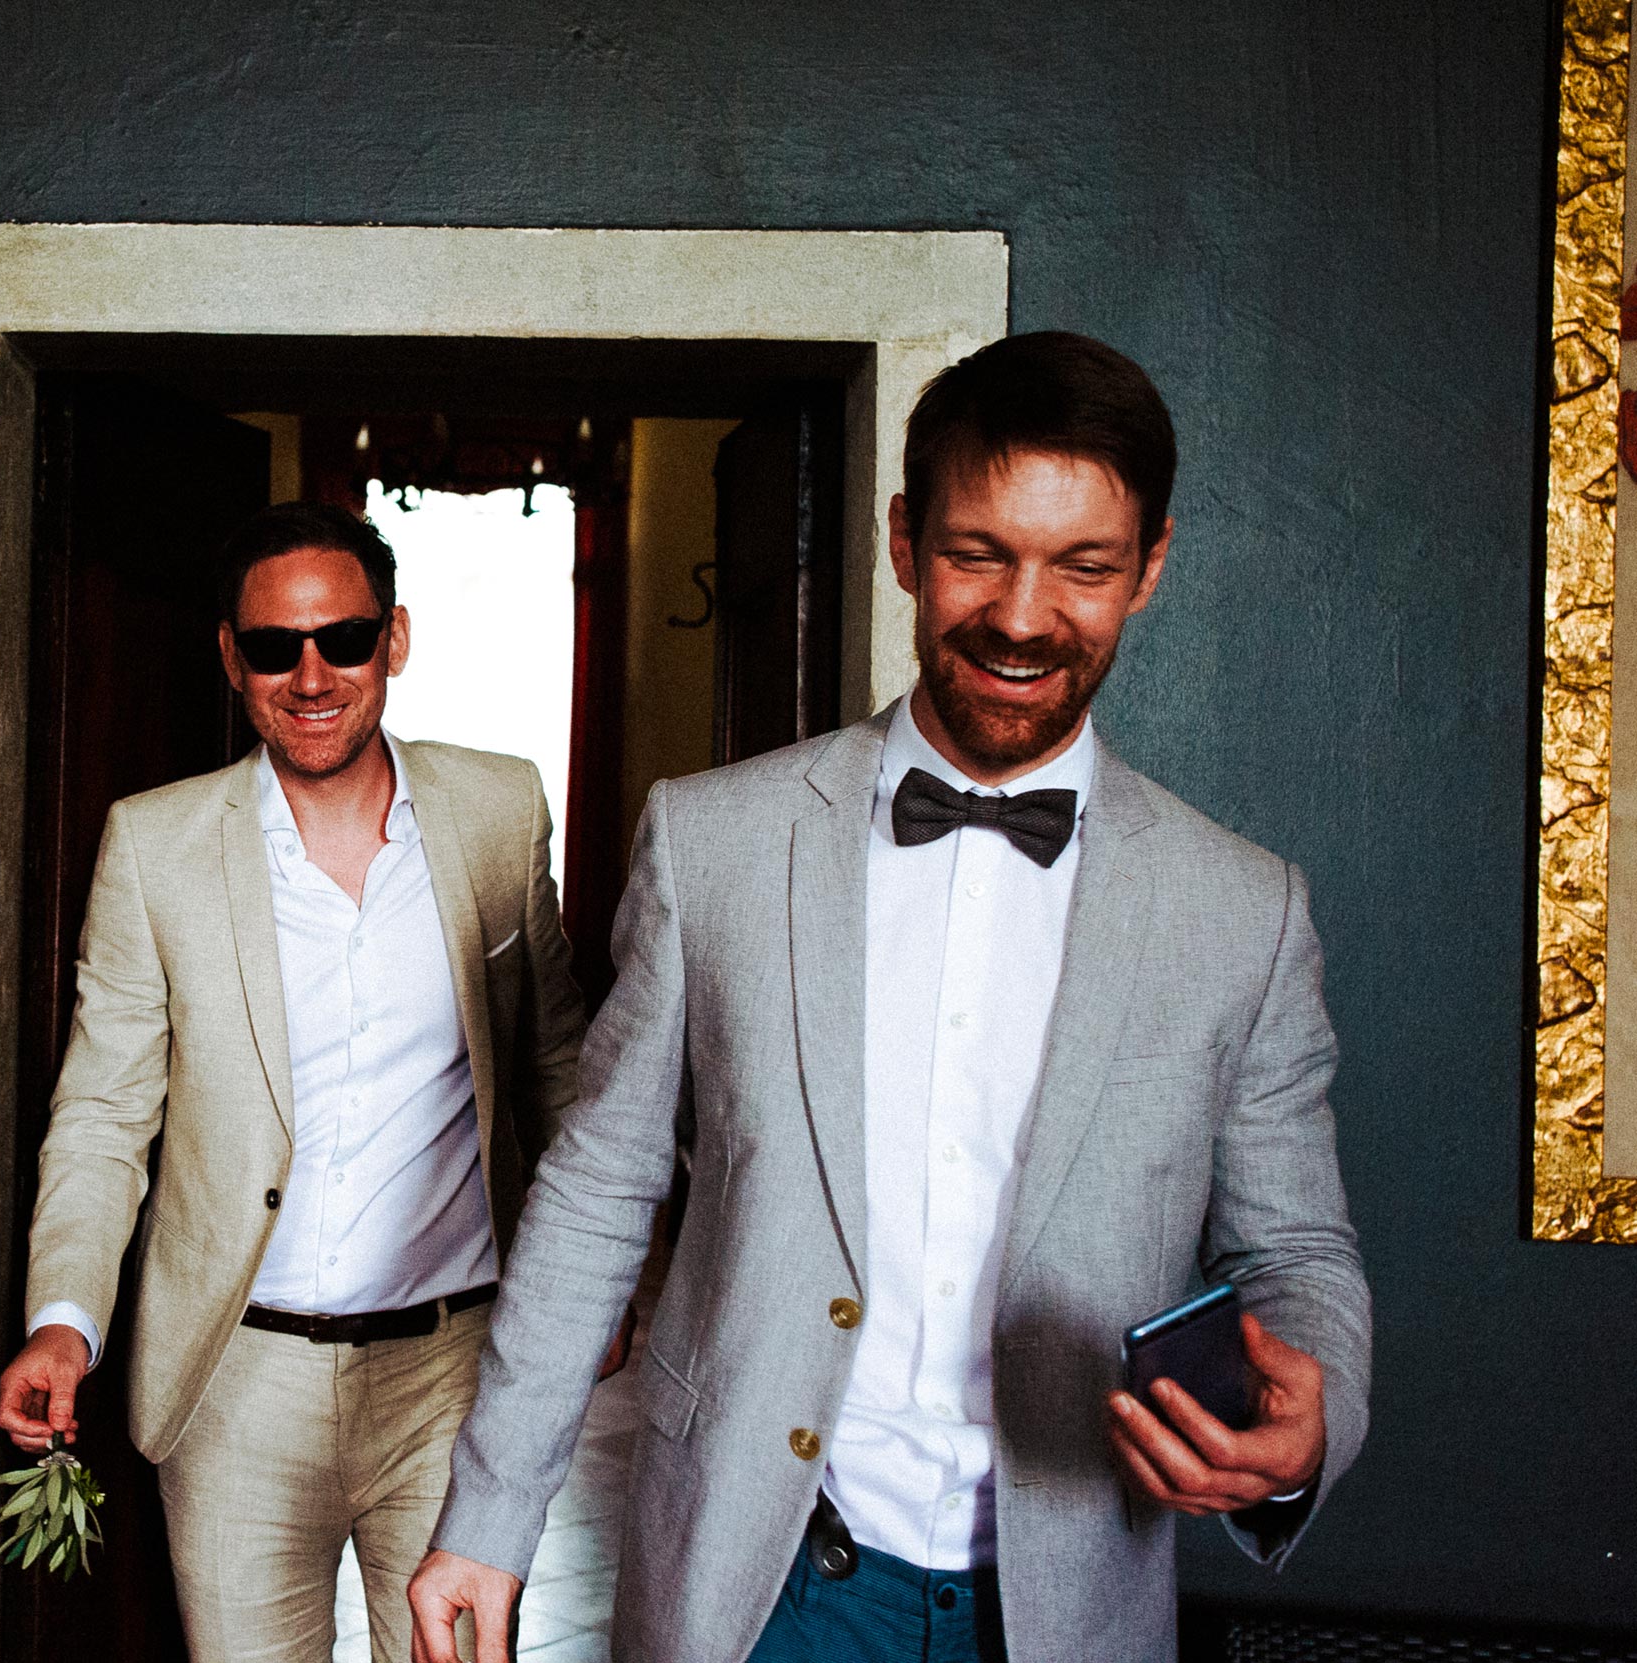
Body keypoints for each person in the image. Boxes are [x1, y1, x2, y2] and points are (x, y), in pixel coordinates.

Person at [409, 332, 1372, 1663]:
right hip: (762, 1581)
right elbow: (597, 1188)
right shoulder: (714, 842)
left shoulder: (1243, 913)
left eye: (1083, 566)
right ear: (905, 541)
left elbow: (1300, 1256)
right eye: (979, 553)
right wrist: (492, 1512)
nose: (1025, 616)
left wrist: (1303, 1426)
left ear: (1148, 569)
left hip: (1068, 1600)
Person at [0, 501, 588, 1663]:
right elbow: (104, 1114)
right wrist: (64, 1319)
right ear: (231, 655)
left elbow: (555, 1067)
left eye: (343, 639)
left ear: (395, 640)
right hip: (237, 1382)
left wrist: (585, 1294)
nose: (310, 674)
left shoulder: (497, 809)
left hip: (452, 1379)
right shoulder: (155, 844)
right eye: (273, 647)